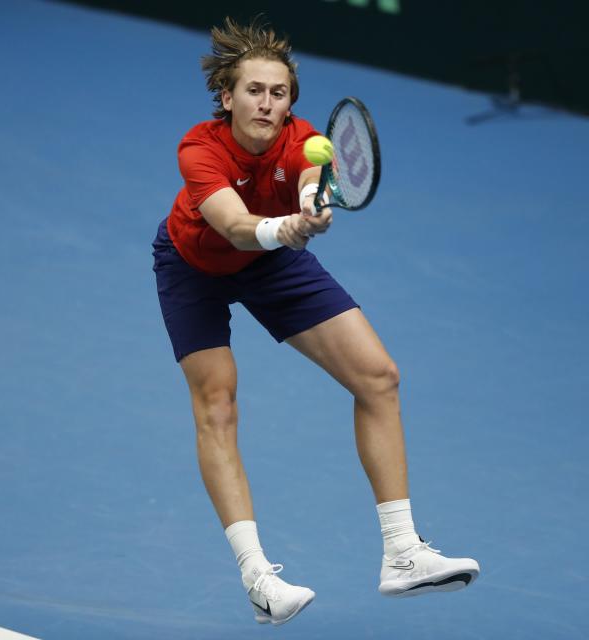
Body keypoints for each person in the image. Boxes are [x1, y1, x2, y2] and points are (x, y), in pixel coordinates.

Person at [152, 16, 480, 626]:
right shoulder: (198, 148)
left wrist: (309, 203)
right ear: (226, 96)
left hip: (272, 264)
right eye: (254, 90)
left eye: (278, 94)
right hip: (193, 266)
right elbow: (231, 224)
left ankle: (403, 553)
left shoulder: (301, 139)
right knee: (217, 404)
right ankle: (257, 578)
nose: (266, 103)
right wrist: (285, 228)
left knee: (378, 377)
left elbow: (310, 175)